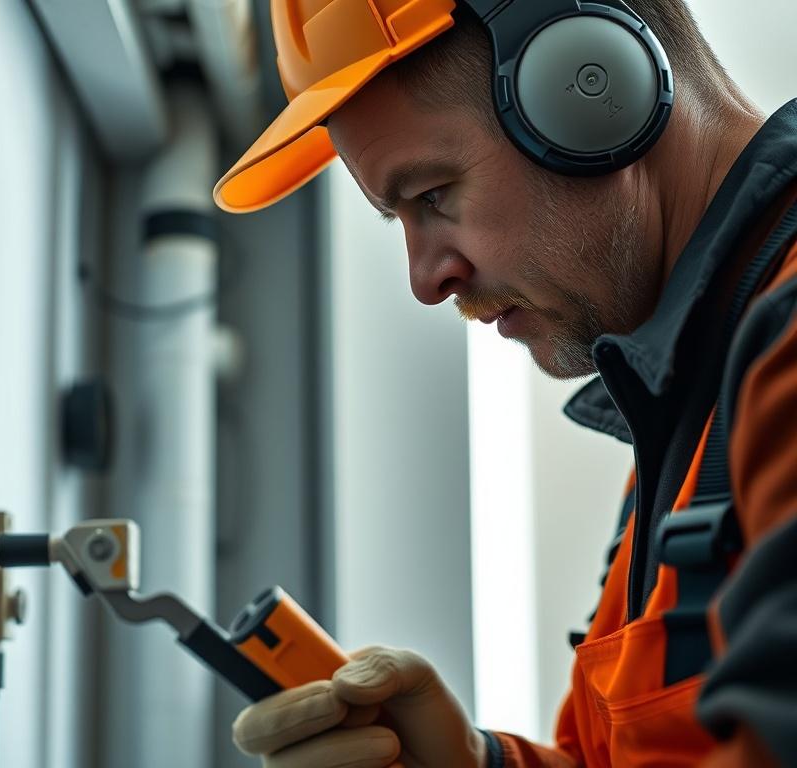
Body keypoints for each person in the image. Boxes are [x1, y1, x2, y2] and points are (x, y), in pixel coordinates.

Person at [212, 1, 797, 766]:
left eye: (432, 196)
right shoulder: (693, 416)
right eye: (403, 219)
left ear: (589, 89)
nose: (427, 279)